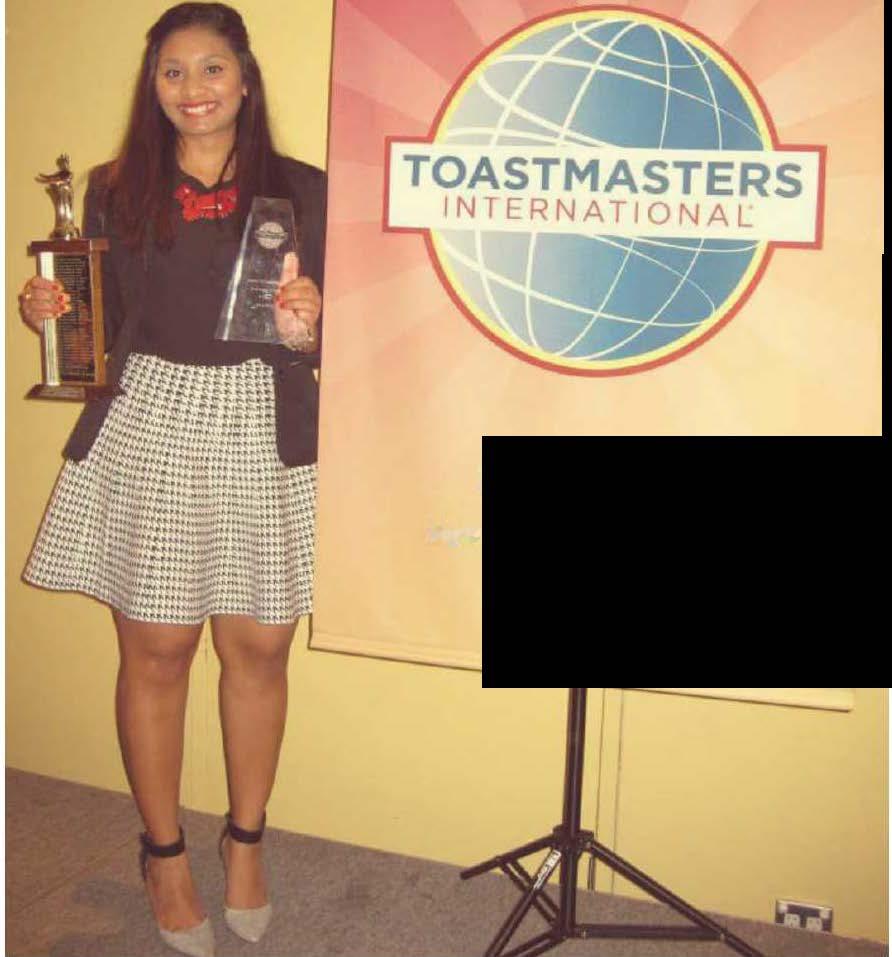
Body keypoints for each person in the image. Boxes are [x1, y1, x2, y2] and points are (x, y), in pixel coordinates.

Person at [18, 4, 326, 955]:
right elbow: (103, 327)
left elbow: (343, 333)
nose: (194, 89)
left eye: (212, 68)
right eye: (173, 71)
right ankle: (163, 852)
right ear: (153, 85)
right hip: (154, 415)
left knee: (259, 646)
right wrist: (53, 310)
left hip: (263, 420)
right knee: (157, 648)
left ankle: (246, 840)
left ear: (246, 78)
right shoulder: (114, 190)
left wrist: (315, 321)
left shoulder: (305, 189)